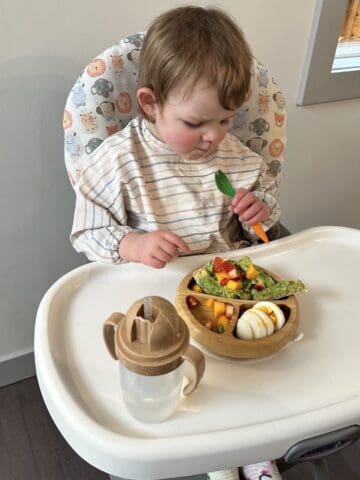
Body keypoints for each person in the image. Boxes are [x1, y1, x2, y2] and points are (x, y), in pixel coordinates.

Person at [71, 6, 282, 480]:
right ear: (150, 103)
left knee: (247, 375)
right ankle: (213, 454)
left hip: (222, 289)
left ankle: (250, 445)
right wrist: (132, 245)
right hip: (151, 296)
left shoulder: (237, 160)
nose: (214, 137)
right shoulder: (119, 163)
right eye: (196, 124)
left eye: (227, 120)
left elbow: (260, 230)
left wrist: (257, 213)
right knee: (184, 378)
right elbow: (85, 230)